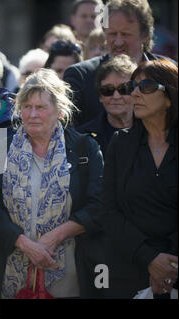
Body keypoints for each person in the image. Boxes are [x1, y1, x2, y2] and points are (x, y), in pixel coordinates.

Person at [0, 68, 104, 298]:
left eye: (41, 107)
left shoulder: (84, 149)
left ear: (60, 111)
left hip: (69, 276)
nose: (32, 114)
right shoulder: (1, 149)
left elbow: (99, 206)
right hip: (12, 273)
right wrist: (25, 244)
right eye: (27, 106)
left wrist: (54, 237)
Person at [102, 59, 178, 298]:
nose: (134, 94)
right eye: (131, 87)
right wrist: (150, 258)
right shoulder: (120, 143)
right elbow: (108, 210)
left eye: (145, 86)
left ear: (169, 97)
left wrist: (169, 267)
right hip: (129, 271)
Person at [63, 0, 176, 127]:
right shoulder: (81, 77)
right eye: (112, 34)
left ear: (145, 34)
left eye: (126, 34)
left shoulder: (168, 72)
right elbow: (71, 135)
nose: (118, 42)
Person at [77, 55, 137, 154]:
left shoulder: (153, 132)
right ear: (100, 96)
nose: (116, 96)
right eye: (108, 90)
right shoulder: (82, 137)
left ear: (136, 92)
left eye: (124, 89)